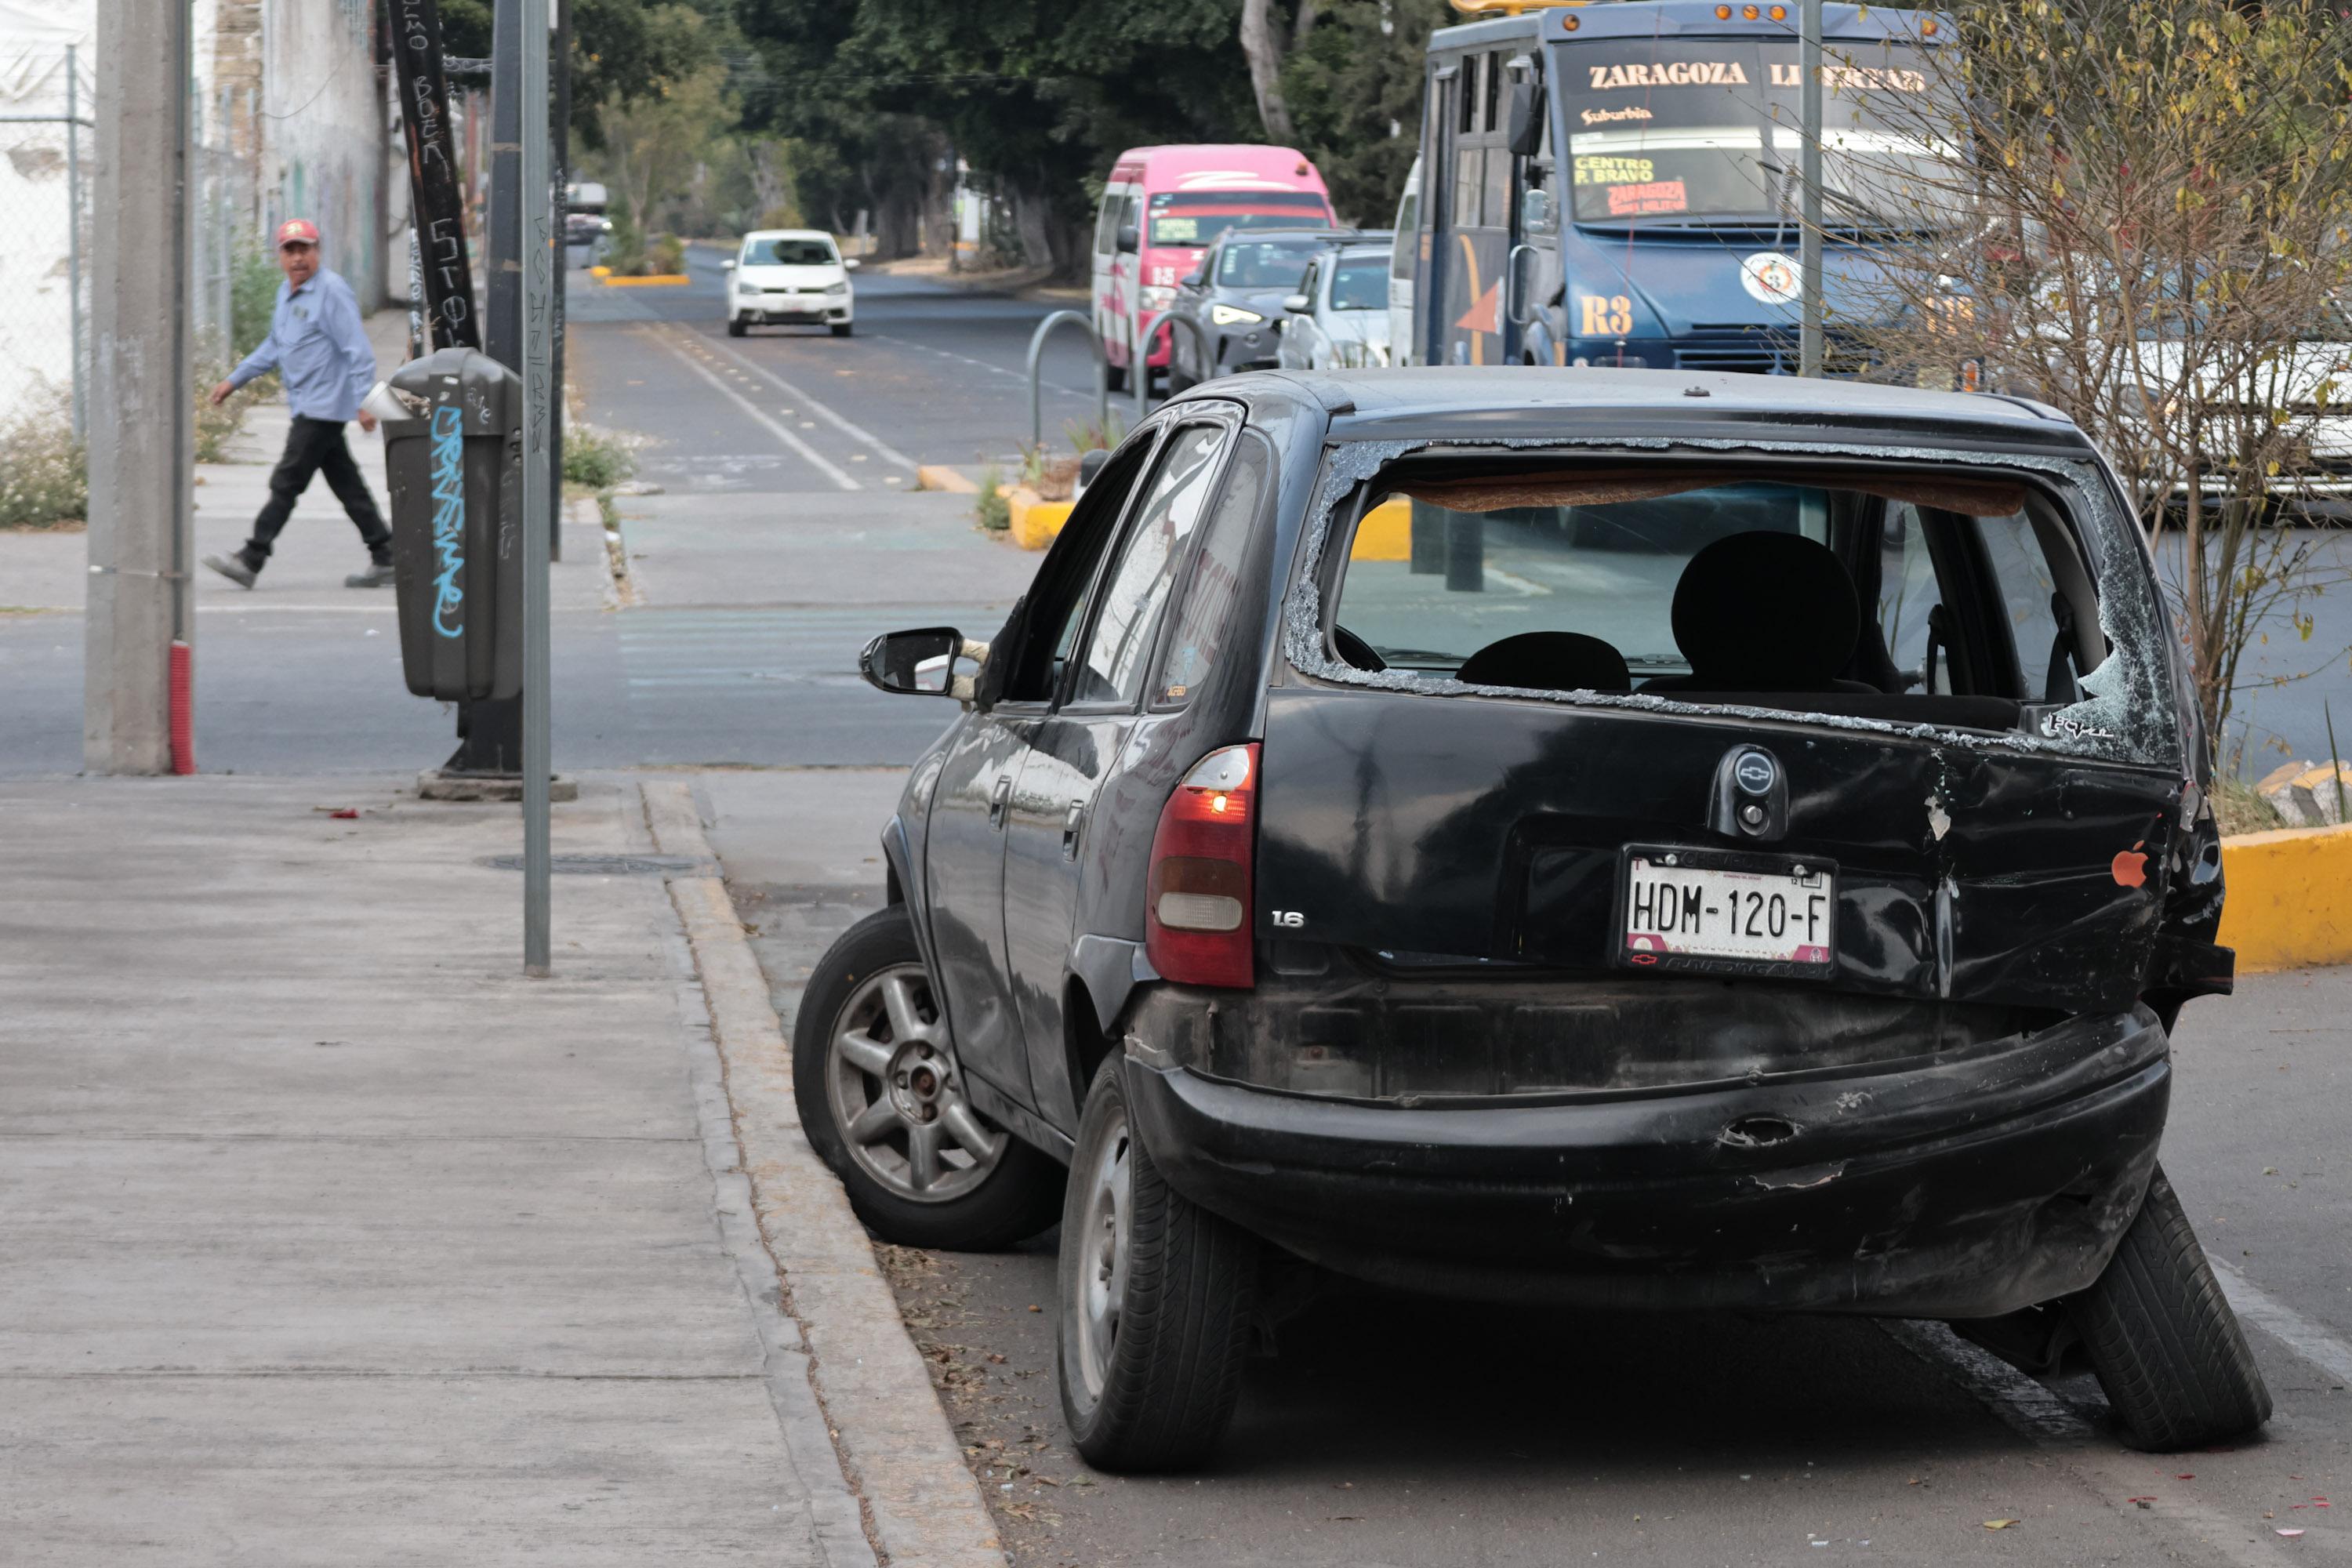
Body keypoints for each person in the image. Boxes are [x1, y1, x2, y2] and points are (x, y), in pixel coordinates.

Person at [201, 219, 394, 590]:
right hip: (307, 404)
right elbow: (275, 345)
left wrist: (364, 401)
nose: (298, 258)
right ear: (280, 256)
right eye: (290, 251)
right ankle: (386, 553)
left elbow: (357, 349)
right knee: (347, 484)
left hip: (323, 406)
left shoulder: (331, 291)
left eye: (304, 249)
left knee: (287, 481)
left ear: (317, 251)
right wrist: (234, 380)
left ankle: (251, 557)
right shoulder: (286, 293)